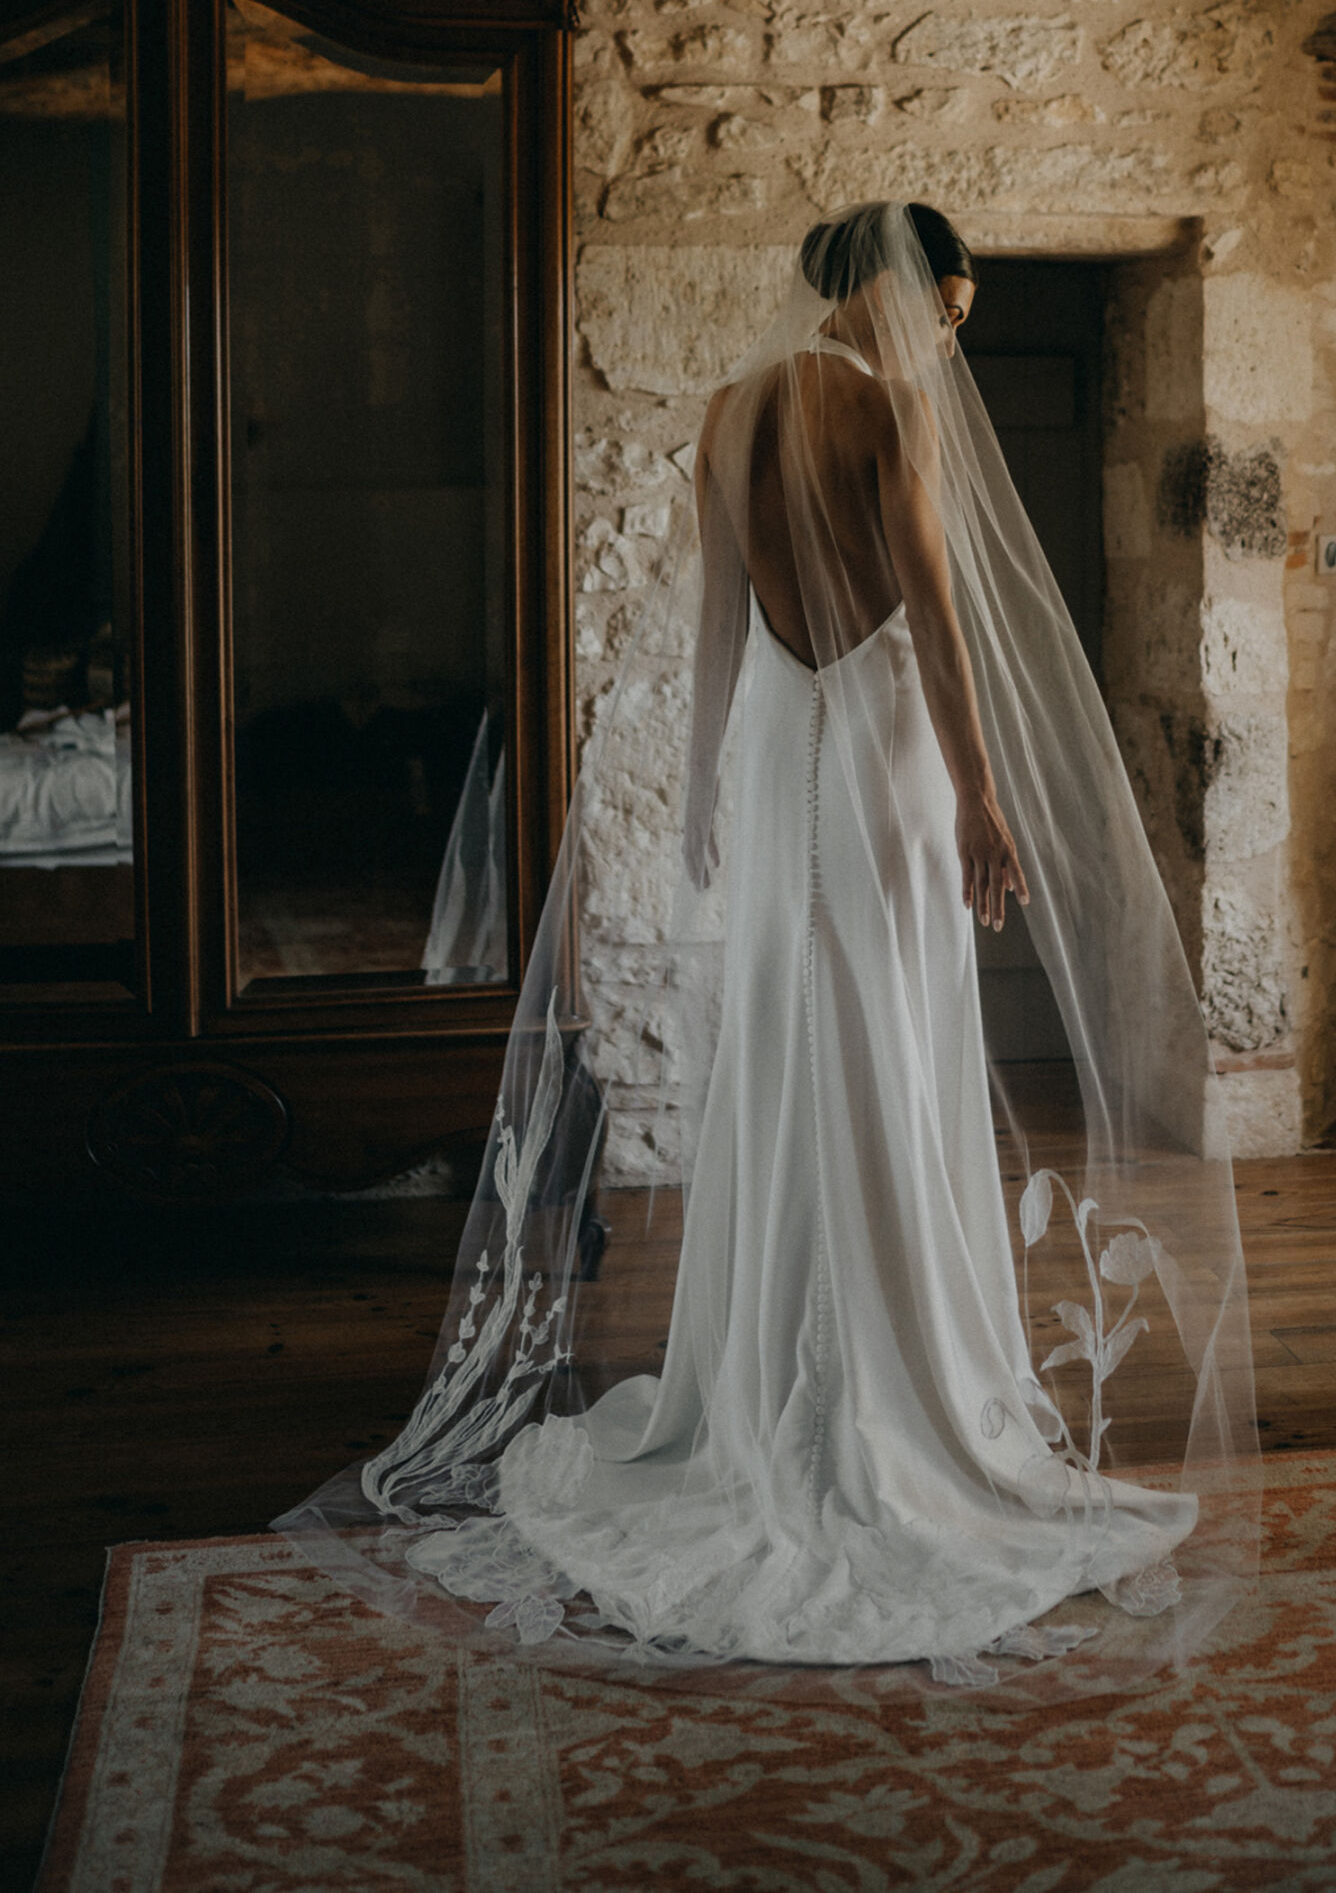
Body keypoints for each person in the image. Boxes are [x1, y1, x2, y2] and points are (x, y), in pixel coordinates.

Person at [279, 201, 1258, 1691]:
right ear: (938, 294)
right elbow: (936, 623)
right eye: (953, 307)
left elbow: (721, 625)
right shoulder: (894, 420)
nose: (951, 330)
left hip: (776, 747)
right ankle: (900, 1381)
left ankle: (763, 1378)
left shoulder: (734, 412)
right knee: (894, 1046)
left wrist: (691, 796)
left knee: (799, 1047)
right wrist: (984, 802)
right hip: (885, 761)